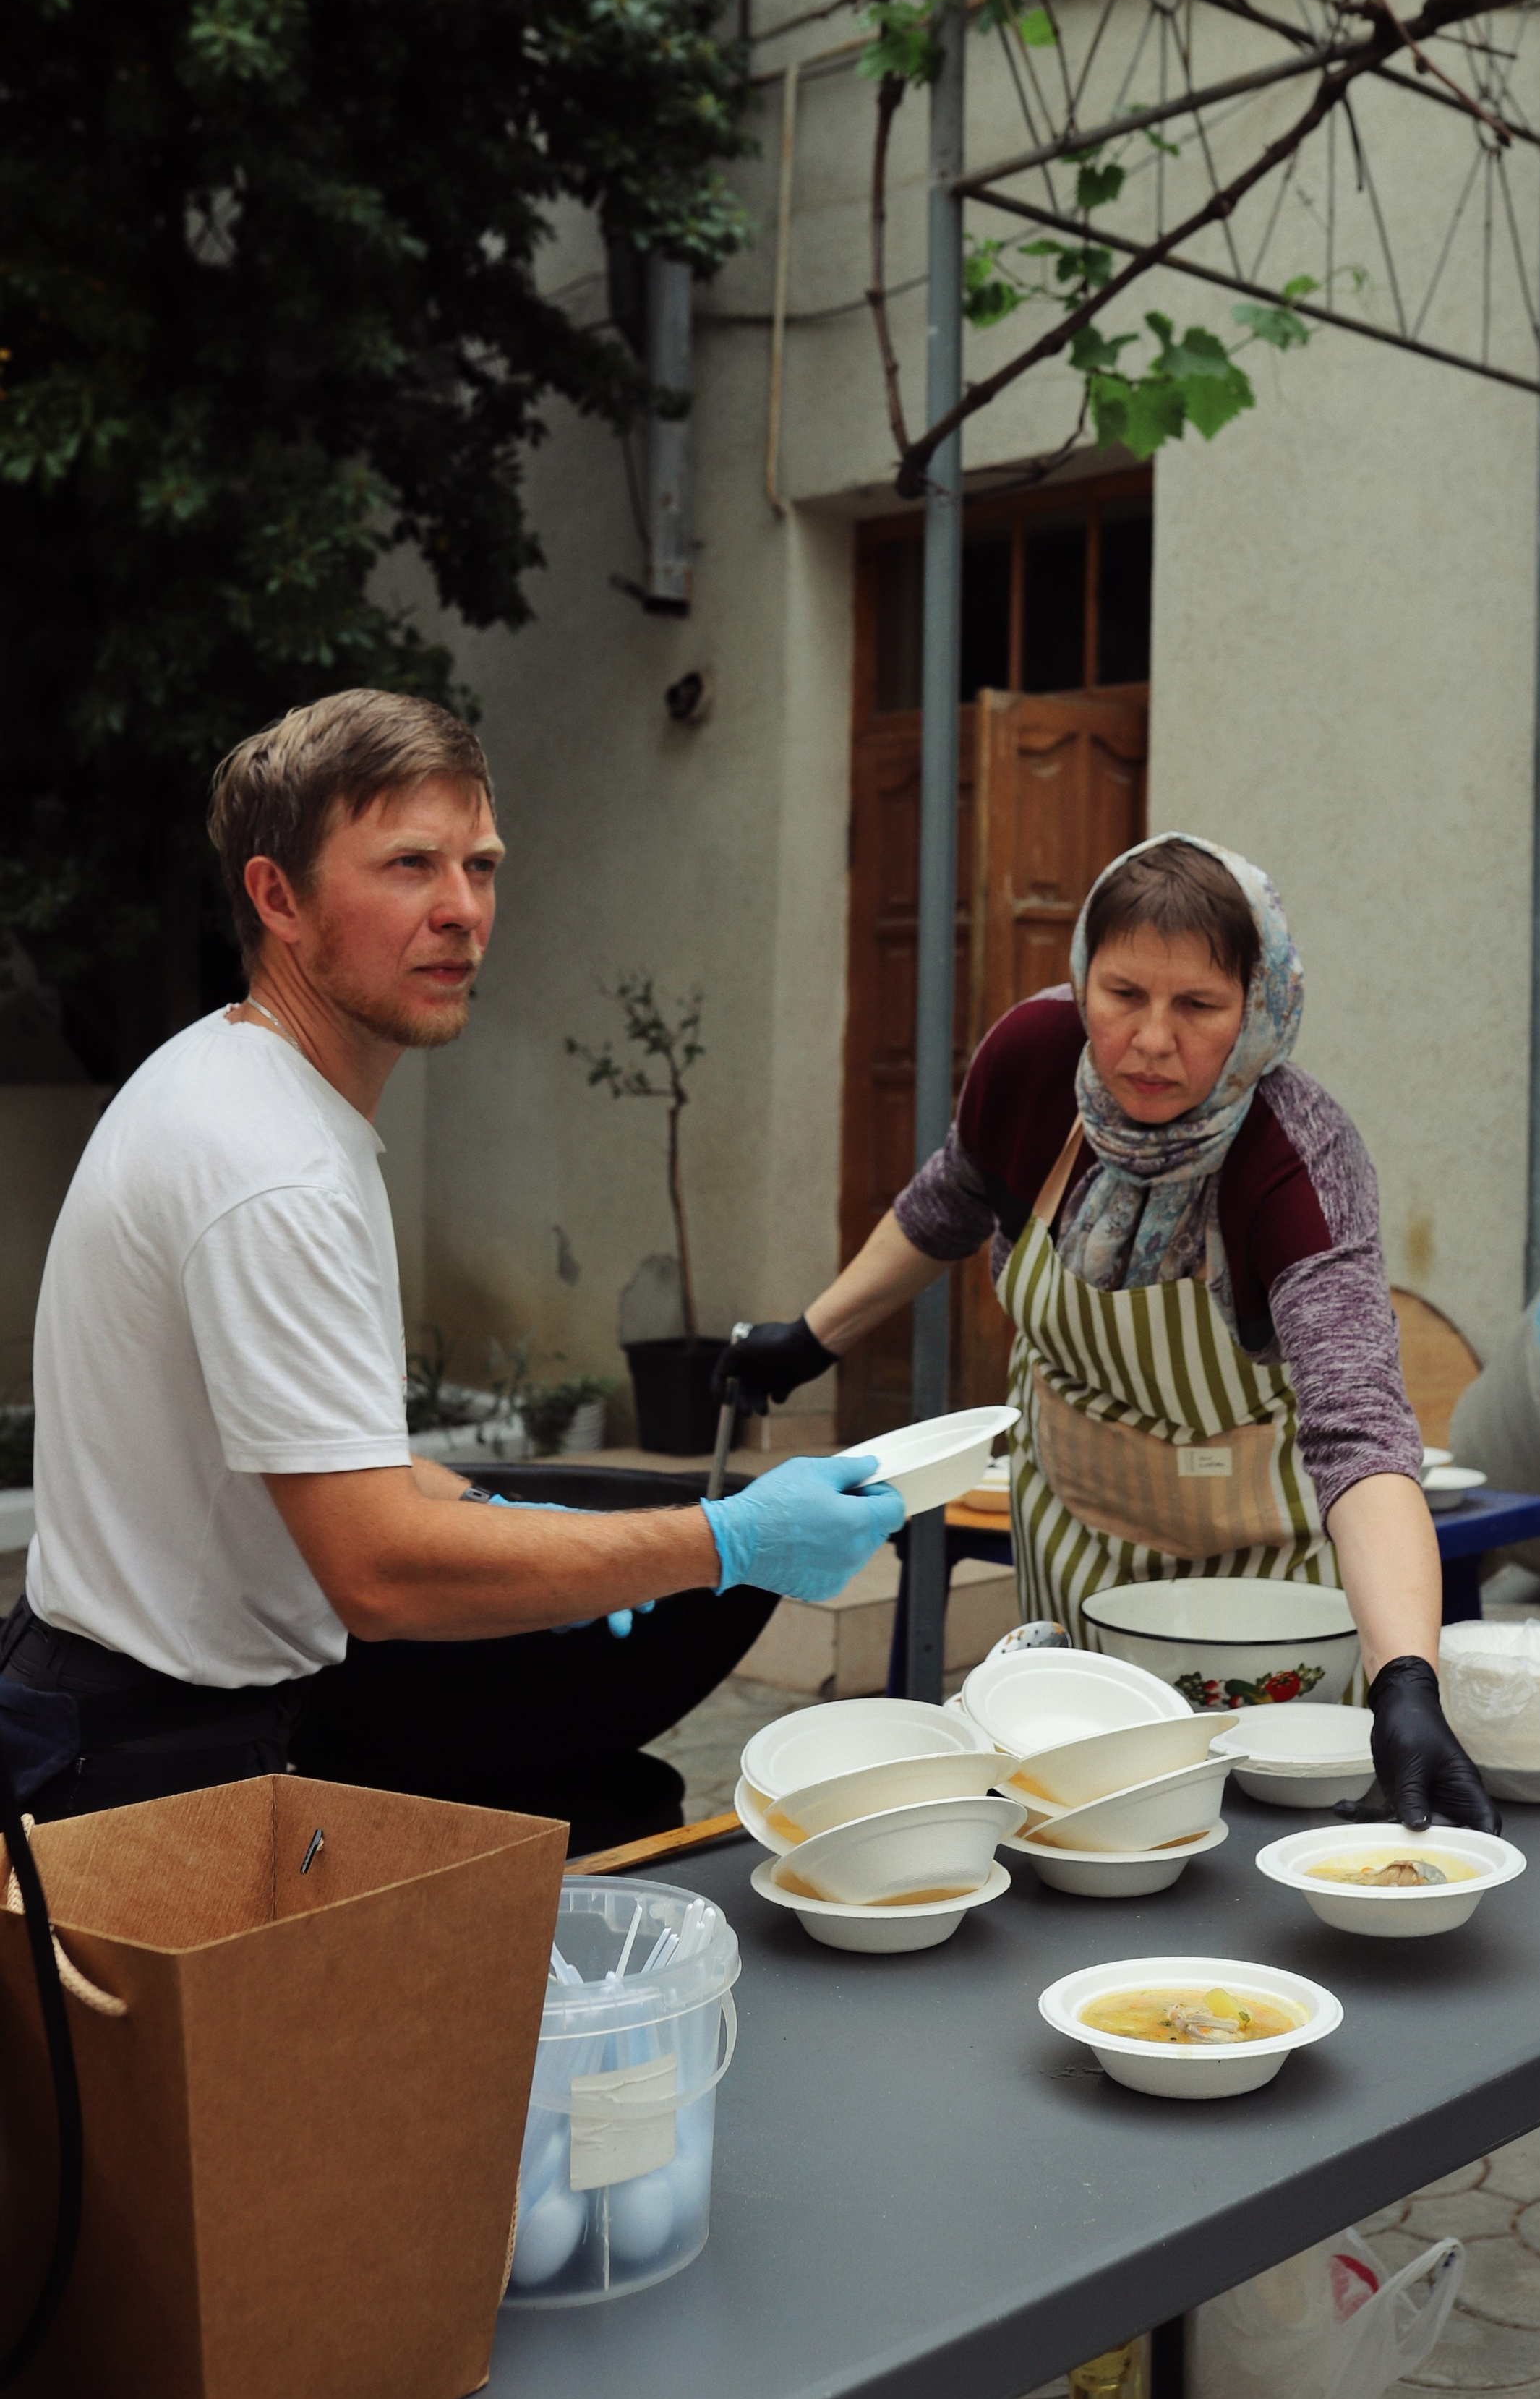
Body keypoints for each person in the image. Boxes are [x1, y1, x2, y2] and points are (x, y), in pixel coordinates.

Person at [0, 691, 902, 1848]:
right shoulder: (271, 1165)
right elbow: (376, 1569)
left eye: (480, 865)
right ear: (278, 896)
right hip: (143, 1758)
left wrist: (504, 1514)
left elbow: (327, 1457)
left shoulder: (248, 1084)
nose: (463, 910)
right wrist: (725, 1542)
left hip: (132, 1706)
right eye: (411, 866)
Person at [717, 834, 1495, 1834]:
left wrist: (1406, 1682)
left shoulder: (1294, 1160)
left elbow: (1361, 1429)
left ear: (1260, 1007)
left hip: (1257, 1596)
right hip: (1077, 1551)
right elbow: (950, 1201)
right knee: (1081, 1830)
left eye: (1199, 1007)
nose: (1152, 1039)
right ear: (1083, 979)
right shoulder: (1033, 1066)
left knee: (1254, 1856)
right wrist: (810, 1338)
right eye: (1124, 994)